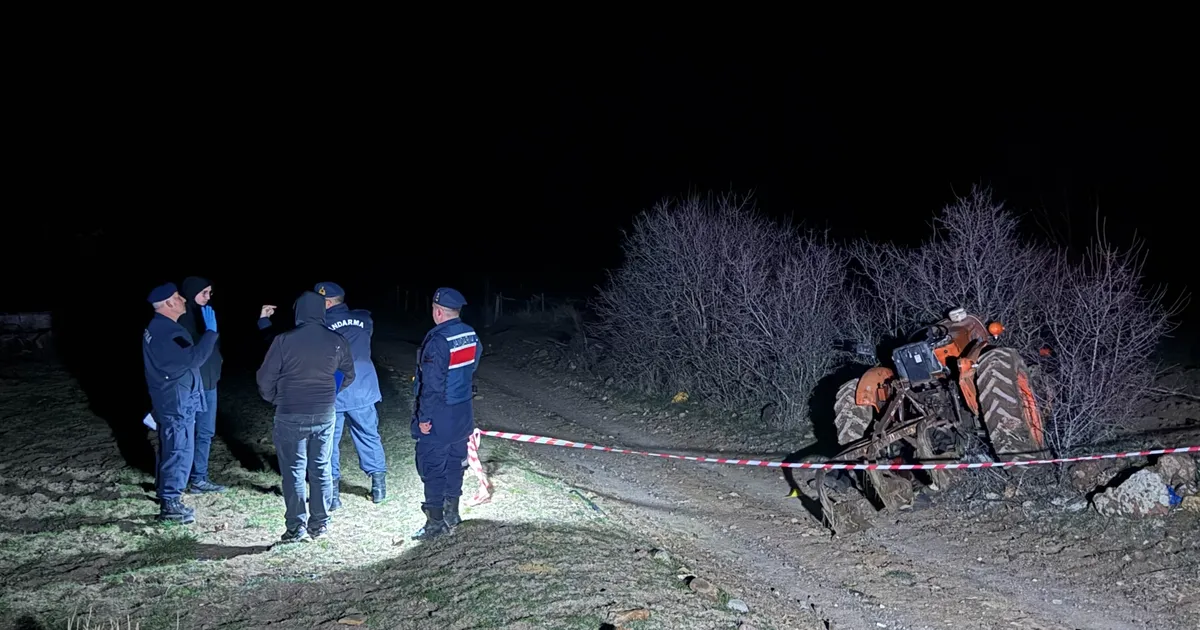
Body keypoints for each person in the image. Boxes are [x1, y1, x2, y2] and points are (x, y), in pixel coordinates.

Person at [256, 291, 356, 543]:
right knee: (320, 468)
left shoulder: (283, 341)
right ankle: (319, 524)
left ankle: (295, 526)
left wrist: (274, 397)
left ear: (298, 312)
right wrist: (329, 392)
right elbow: (348, 374)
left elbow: (264, 378)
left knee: (293, 470)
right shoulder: (337, 340)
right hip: (324, 413)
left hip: (290, 413)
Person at [142, 283, 219, 524]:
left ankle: (166, 493)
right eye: (177, 297)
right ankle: (171, 503)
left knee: (172, 446)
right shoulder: (168, 332)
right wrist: (210, 333)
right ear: (167, 304)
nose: (183, 300)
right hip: (177, 400)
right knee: (179, 449)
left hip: (171, 396)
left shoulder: (159, 328)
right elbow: (193, 359)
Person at [411, 287, 481, 540]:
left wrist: (425, 418)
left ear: (438, 311)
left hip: (440, 413)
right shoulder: (470, 334)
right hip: (463, 411)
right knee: (455, 463)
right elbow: (472, 365)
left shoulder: (439, 340)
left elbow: (432, 384)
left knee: (432, 466)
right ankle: (453, 513)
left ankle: (435, 524)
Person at [314, 282, 387, 508]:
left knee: (327, 442)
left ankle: (333, 496)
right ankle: (379, 488)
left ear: (326, 303)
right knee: (368, 434)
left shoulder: (321, 323)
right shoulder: (364, 318)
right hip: (363, 384)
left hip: (334, 387)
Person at [175, 276, 226, 494]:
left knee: (205, 432)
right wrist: (209, 333)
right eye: (203, 292)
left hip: (210, 383)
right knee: (186, 431)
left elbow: (214, 347)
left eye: (210, 292)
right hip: (192, 385)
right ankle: (179, 478)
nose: (207, 297)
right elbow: (192, 352)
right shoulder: (182, 318)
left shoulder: (206, 314)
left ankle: (199, 478)